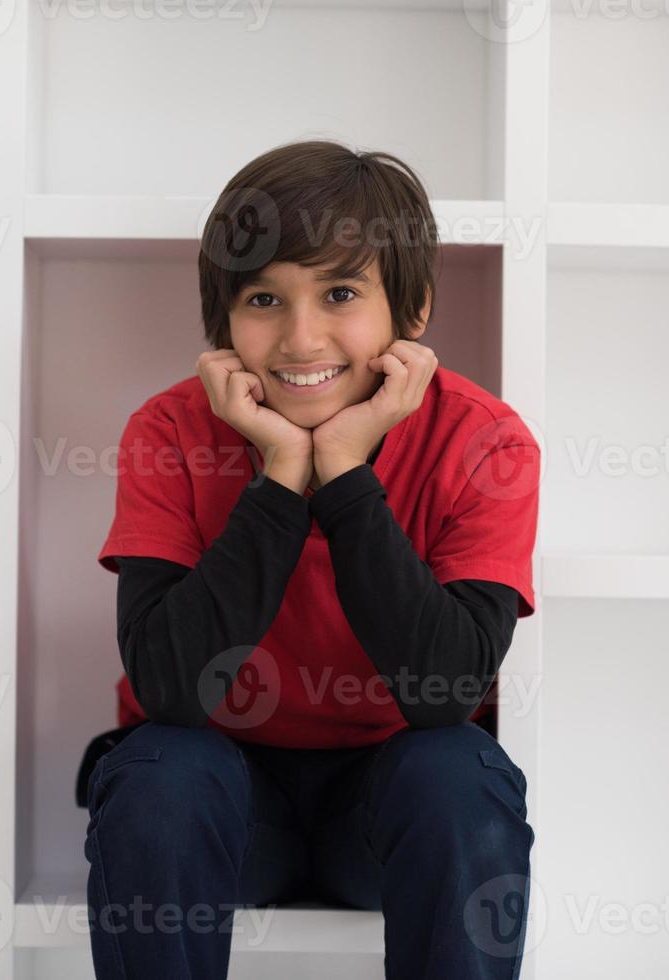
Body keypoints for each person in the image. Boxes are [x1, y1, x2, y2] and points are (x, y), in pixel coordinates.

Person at [87, 138, 541, 979]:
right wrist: (282, 475)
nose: (300, 339)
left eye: (339, 293)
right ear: (223, 322)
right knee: (157, 769)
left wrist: (345, 473)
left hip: (385, 810)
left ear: (412, 312)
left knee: (458, 771)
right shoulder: (168, 430)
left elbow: (444, 689)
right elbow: (171, 689)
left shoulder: (484, 440)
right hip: (224, 808)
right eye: (264, 298)